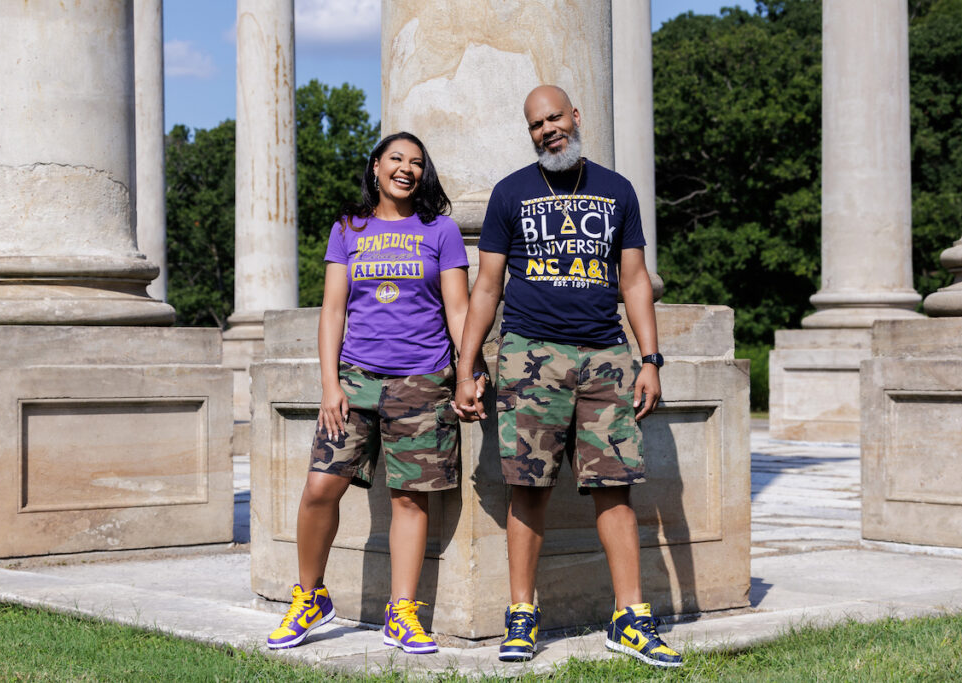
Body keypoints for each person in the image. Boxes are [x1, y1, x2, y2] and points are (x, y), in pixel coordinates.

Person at [453, 86, 682, 669]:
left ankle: (629, 617)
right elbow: (486, 287)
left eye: (554, 117)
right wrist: (466, 365)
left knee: (615, 487)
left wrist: (649, 359)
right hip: (531, 354)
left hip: (606, 355)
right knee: (528, 485)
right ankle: (522, 614)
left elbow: (634, 281)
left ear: (575, 118)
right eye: (536, 124)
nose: (547, 129)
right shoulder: (512, 193)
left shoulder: (617, 189)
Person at [267, 131, 484, 654]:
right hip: (356, 380)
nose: (405, 169)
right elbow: (333, 310)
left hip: (424, 381)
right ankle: (310, 597)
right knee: (321, 486)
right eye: (396, 159)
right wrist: (329, 385)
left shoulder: (441, 231)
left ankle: (402, 613)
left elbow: (458, 310)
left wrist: (467, 371)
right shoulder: (349, 229)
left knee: (410, 500)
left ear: (423, 173)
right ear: (375, 167)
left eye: (415, 162)